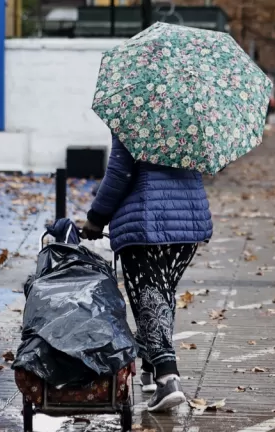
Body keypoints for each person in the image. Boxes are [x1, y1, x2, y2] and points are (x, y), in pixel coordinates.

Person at [81, 134, 213, 412]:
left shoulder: (135, 117)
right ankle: (150, 371)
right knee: (160, 295)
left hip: (145, 218)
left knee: (149, 297)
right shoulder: (196, 116)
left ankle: (168, 379)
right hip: (189, 221)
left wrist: (95, 219)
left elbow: (120, 173)